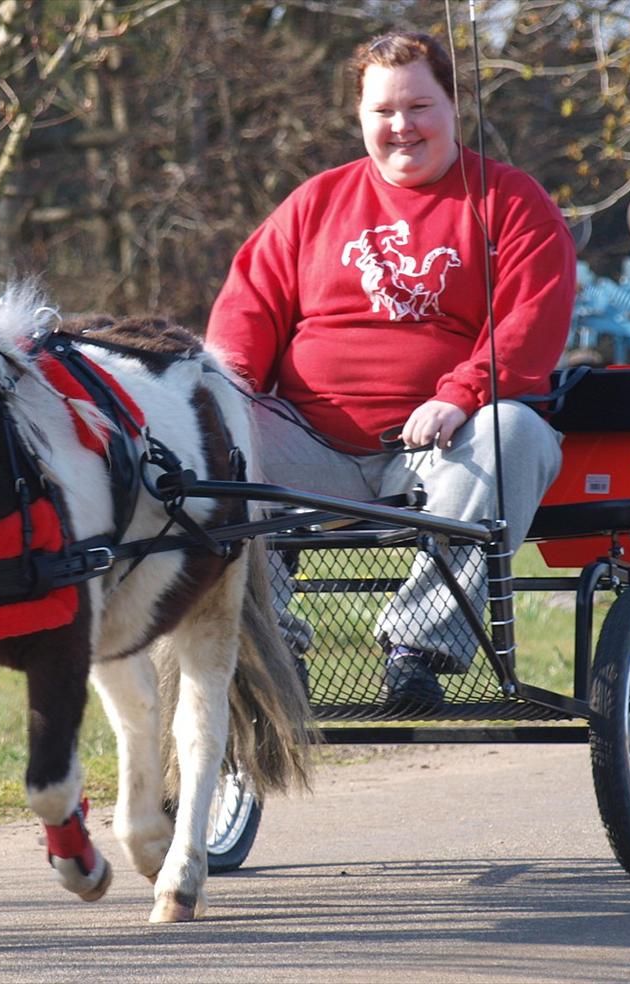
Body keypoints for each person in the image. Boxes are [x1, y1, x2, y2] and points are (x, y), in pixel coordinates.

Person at [206, 30, 576, 708]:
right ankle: (274, 650)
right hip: (310, 440)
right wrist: (224, 394)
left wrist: (460, 397)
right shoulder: (315, 203)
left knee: (513, 432)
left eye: (419, 107)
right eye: (383, 111)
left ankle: (417, 650)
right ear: (360, 118)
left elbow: (529, 325)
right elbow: (245, 315)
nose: (401, 126)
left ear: (453, 106)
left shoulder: (513, 203)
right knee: (217, 449)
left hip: (448, 444)